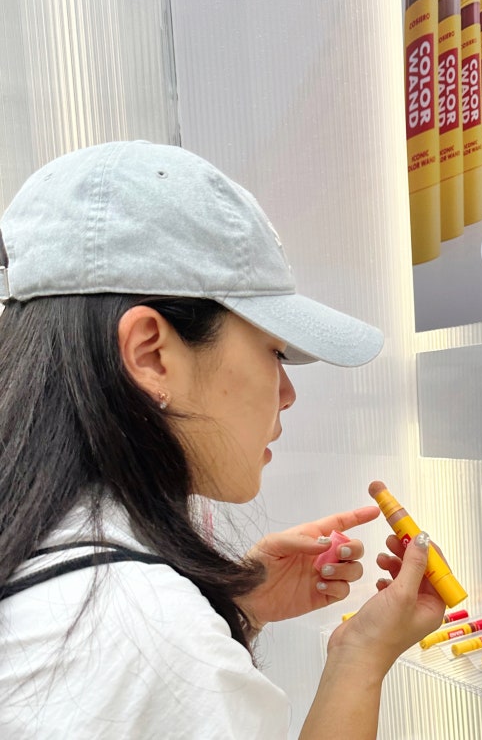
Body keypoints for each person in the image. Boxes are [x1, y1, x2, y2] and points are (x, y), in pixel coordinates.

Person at [0, 141, 446, 738]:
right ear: (151, 354)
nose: (287, 393)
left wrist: (233, 606)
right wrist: (360, 657)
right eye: (274, 352)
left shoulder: (52, 562)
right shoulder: (148, 634)